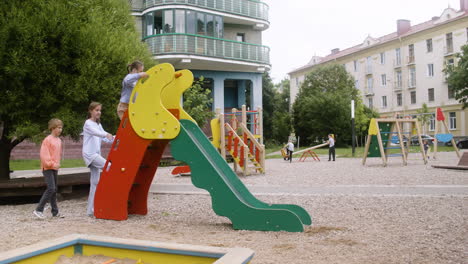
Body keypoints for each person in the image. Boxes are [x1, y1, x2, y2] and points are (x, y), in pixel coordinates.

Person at [83, 102, 114, 217]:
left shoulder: (98, 125)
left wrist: (117, 138)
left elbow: (106, 138)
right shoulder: (88, 123)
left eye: (100, 110)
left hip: (96, 154)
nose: (98, 112)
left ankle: (90, 211)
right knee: (109, 167)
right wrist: (107, 135)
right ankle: (110, 194)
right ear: (90, 111)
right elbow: (99, 134)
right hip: (90, 155)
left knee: (94, 183)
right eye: (96, 110)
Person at [33, 118, 65, 219]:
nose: (60, 130)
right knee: (51, 188)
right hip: (47, 168)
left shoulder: (59, 140)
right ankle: (38, 210)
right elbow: (44, 155)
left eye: (61, 128)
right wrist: (52, 164)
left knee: (54, 190)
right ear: (52, 128)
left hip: (54, 168)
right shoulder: (47, 140)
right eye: (58, 128)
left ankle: (55, 212)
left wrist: (57, 164)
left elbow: (58, 154)